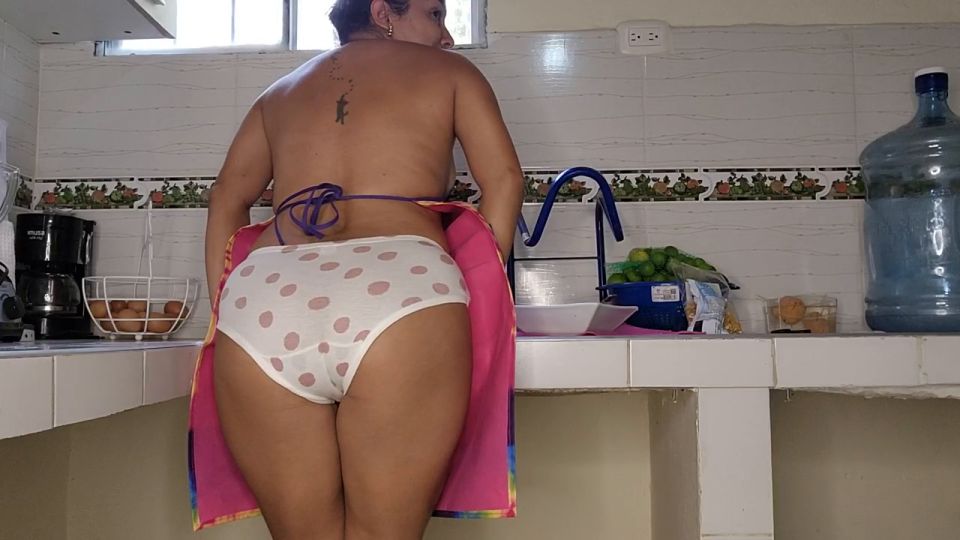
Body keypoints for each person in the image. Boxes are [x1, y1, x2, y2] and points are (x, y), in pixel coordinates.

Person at [202, 0, 524, 538]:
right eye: (435, 14)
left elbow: (225, 199)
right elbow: (505, 180)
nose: (447, 36)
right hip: (400, 285)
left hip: (266, 297)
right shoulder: (452, 73)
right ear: (382, 11)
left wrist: (227, 302)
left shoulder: (279, 92)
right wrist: (469, 280)